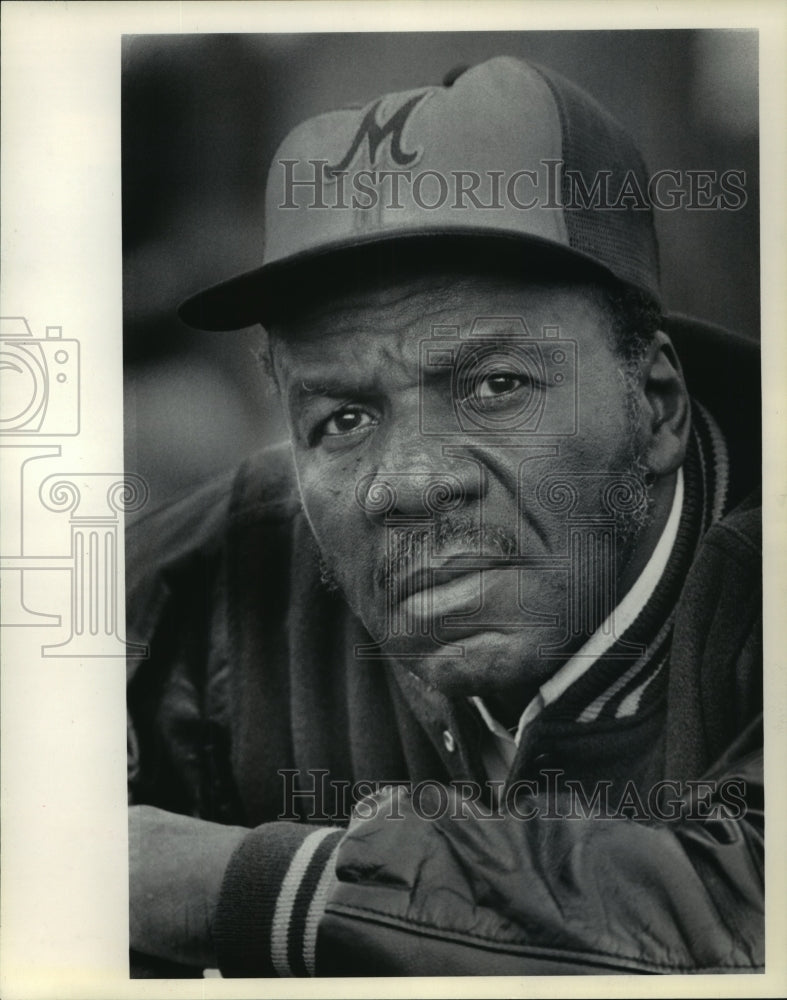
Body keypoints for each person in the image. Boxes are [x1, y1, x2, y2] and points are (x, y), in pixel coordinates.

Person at [126, 56, 763, 977]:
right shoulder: (222, 572)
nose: (408, 484)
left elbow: (747, 911)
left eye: (495, 386)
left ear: (655, 403)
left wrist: (248, 887)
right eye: (342, 420)